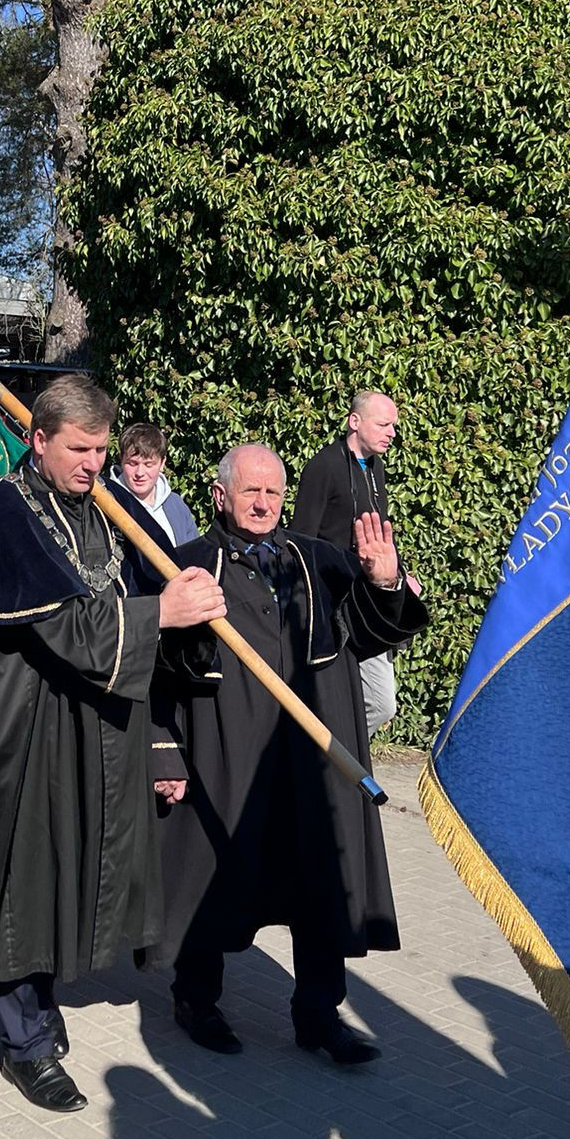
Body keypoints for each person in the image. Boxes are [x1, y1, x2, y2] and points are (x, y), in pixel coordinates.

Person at [0, 375, 226, 1113]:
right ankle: (26, 1041)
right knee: (24, 879)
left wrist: (187, 609)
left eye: (102, 450)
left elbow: (141, 593)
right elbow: (66, 629)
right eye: (79, 449)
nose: (94, 464)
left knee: (66, 870)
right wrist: (161, 615)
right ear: (37, 439)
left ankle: (40, 1005)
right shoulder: (0, 517)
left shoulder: (104, 513)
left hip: (95, 724)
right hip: (25, 730)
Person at [152, 444, 428, 1063]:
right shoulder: (188, 567)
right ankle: (196, 1000)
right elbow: (155, 675)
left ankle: (319, 1016)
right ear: (220, 495)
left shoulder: (318, 560)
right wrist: (163, 755)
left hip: (311, 756)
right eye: (250, 491)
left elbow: (373, 630)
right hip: (224, 751)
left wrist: (384, 581)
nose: (262, 503)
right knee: (210, 870)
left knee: (319, 878)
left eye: (273, 492)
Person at [290, 390, 406, 736]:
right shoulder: (323, 466)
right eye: (383, 425)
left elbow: (379, 531)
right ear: (354, 421)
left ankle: (337, 756)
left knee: (382, 703)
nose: (392, 433)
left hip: (367, 602)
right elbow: (301, 538)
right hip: (330, 607)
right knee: (336, 697)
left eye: (393, 426)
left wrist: (400, 573)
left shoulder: (376, 467)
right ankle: (330, 757)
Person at [112, 423, 199, 544]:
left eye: (148, 464)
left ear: (162, 463)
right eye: (132, 463)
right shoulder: (109, 503)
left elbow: (195, 550)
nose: (140, 473)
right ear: (121, 459)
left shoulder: (176, 505)